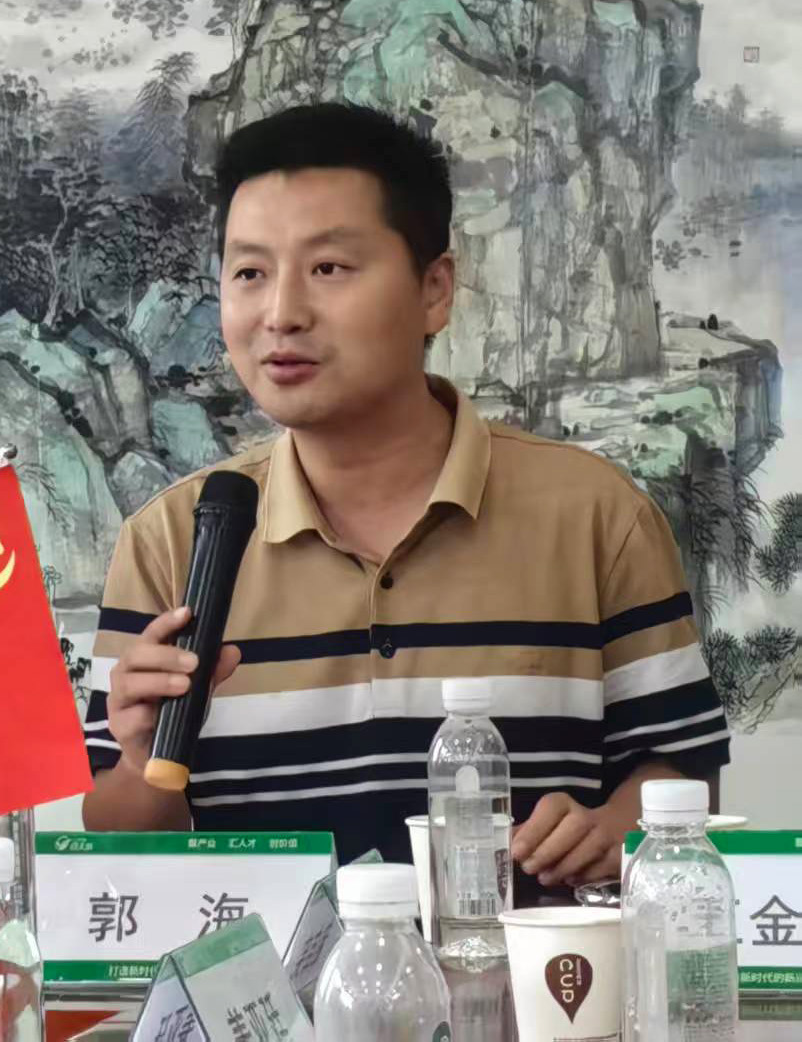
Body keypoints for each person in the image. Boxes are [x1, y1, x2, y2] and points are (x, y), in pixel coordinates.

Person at [80, 104, 729, 897]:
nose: (281, 313)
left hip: (535, 973)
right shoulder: (170, 540)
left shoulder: (596, 514)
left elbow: (684, 773)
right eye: (249, 273)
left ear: (434, 290)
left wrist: (610, 831)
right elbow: (117, 844)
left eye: (329, 268)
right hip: (269, 979)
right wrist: (142, 762)